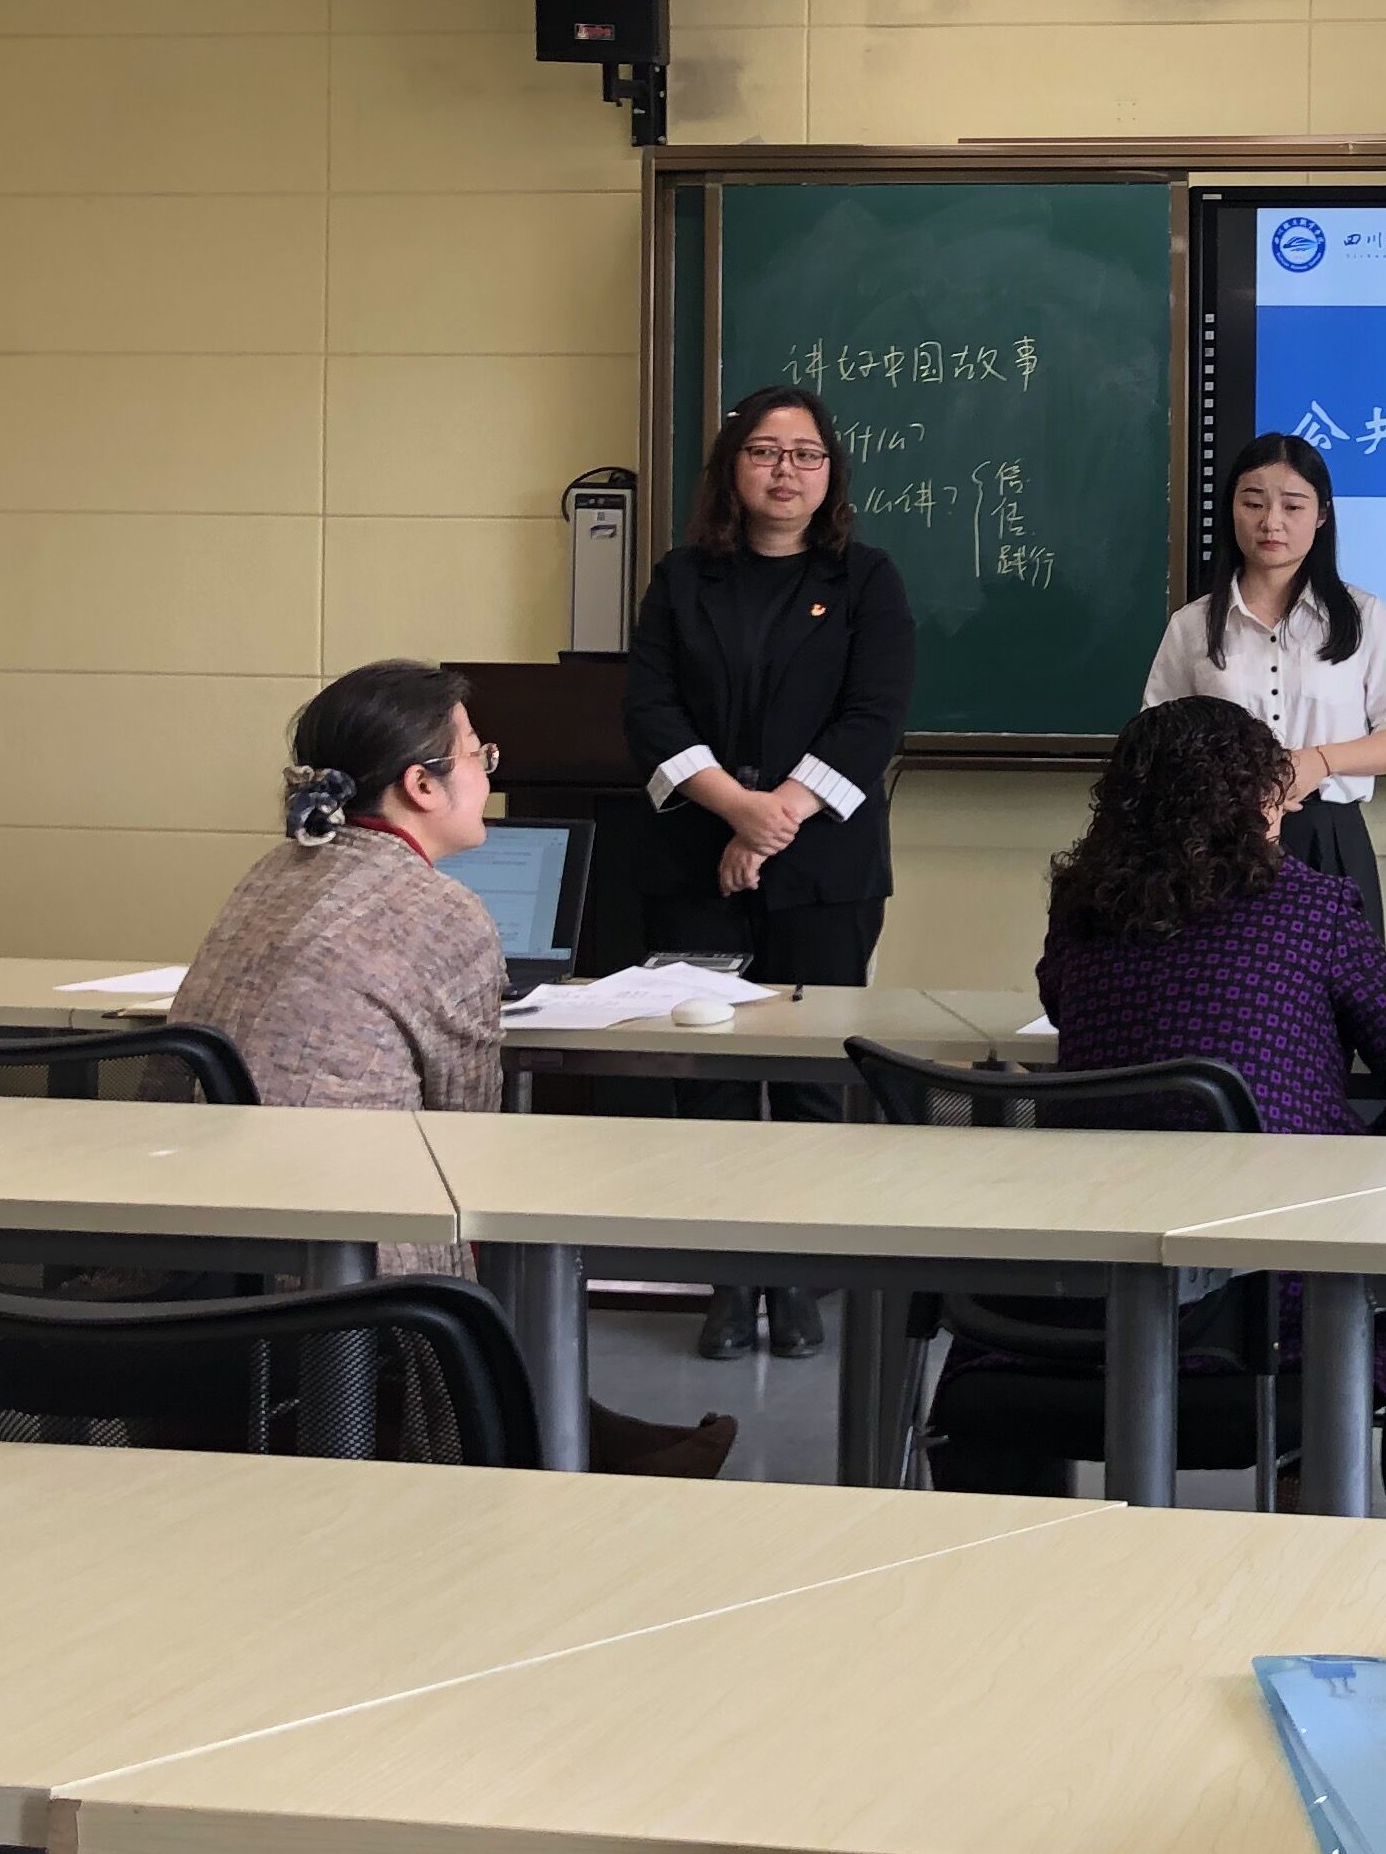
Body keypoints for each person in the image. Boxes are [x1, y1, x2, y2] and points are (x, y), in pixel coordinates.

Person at [176, 659, 732, 1477]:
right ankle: (549, 1449)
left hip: (200, 1256)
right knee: (509, 1226)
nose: (487, 772)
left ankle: (583, 1432)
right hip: (346, 1276)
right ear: (421, 785)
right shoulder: (443, 911)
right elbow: (465, 1144)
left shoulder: (272, 871)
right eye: (477, 753)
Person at [1033, 697, 1386, 1511]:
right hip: (1280, 1299)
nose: (1292, 806)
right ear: (1248, 801)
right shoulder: (1311, 909)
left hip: (1083, 1294)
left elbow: (1063, 1007)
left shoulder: (1082, 909)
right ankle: (1372, 1468)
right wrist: (1351, 1176)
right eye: (1276, 790)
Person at [623, 383, 918, 1363]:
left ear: (830, 473)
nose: (785, 470)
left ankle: (794, 1278)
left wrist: (773, 818)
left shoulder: (866, 579)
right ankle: (728, 1282)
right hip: (692, 858)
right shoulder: (680, 578)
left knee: (810, 1078)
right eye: (764, 451)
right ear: (731, 468)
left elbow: (873, 717)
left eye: (806, 454)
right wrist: (735, 810)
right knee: (707, 1079)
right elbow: (650, 712)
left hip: (826, 868)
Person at [1141, 432, 1386, 940]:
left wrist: (1317, 762)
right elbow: (1155, 743)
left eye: (1292, 506)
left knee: (1336, 986)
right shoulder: (1192, 625)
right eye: (1253, 503)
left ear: (1321, 516)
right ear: (1232, 510)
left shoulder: (1363, 617)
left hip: (1328, 839)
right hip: (1214, 841)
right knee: (1220, 984)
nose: (1271, 522)